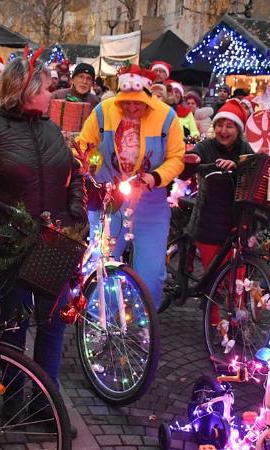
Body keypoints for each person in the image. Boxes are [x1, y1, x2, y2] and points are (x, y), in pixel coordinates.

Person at [0, 54, 85, 425]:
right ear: (25, 89)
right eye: (45, 85)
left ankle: (45, 408)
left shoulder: (50, 128)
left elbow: (73, 175)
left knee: (53, 324)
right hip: (9, 245)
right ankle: (13, 400)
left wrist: (75, 215)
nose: (52, 92)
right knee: (14, 325)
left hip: (55, 244)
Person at [75, 64, 186, 308]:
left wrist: (155, 177)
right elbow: (85, 144)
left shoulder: (167, 116)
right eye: (127, 103)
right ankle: (99, 319)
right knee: (102, 262)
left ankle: (145, 321)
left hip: (150, 202)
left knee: (151, 270)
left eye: (138, 103)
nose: (132, 108)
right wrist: (86, 162)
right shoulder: (104, 111)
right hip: (109, 198)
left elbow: (176, 157)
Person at [185, 99, 252, 322]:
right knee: (212, 275)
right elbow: (193, 161)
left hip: (237, 220)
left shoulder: (244, 149)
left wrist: (238, 166)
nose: (224, 130)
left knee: (238, 275)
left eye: (230, 126)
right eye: (220, 125)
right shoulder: (206, 146)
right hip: (209, 220)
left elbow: (254, 166)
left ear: (238, 129)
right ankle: (212, 322)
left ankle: (238, 320)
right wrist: (196, 163)